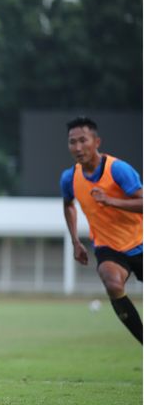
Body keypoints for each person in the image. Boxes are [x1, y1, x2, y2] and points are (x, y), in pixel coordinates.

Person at [61, 116, 142, 343]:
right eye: (72, 142)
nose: (77, 147)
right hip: (109, 248)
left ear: (97, 142)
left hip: (139, 240)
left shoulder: (118, 170)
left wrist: (111, 201)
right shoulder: (70, 178)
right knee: (113, 283)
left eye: (83, 140)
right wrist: (75, 241)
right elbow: (68, 205)